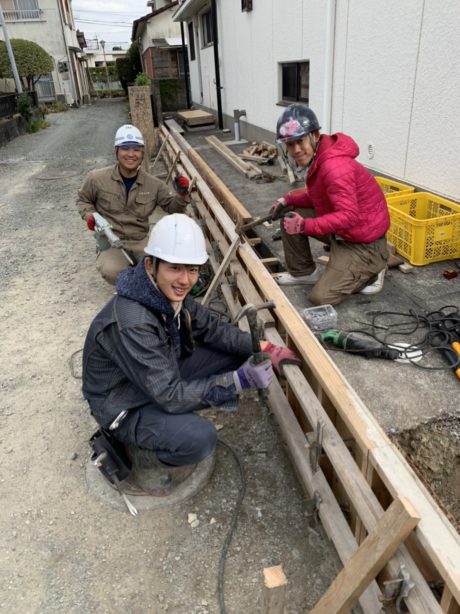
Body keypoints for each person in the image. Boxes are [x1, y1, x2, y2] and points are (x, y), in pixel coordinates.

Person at [82, 213, 300, 491]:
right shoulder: (133, 321)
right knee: (199, 439)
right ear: (151, 264)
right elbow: (169, 396)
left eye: (193, 269)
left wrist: (263, 346)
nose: (185, 280)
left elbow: (212, 329)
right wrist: (236, 382)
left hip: (154, 376)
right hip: (124, 404)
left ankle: (164, 428)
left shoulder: (160, 292)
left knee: (232, 353)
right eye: (175, 268)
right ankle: (140, 455)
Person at [271, 104, 390, 306]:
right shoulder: (319, 160)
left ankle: (373, 270)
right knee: (290, 214)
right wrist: (287, 200)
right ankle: (304, 273)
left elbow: (348, 215)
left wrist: (304, 226)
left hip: (363, 243)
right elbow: (319, 199)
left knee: (321, 297)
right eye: (290, 145)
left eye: (300, 141)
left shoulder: (334, 167)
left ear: (314, 135)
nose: (296, 150)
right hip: (346, 232)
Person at [77, 124, 191, 285]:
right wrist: (90, 216)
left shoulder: (154, 185)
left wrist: (182, 194)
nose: (131, 154)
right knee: (113, 271)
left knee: (159, 272)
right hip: (111, 242)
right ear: (116, 151)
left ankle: (138, 277)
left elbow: (173, 209)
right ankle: (129, 277)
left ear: (142, 153)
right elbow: (83, 200)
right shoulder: (96, 178)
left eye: (136, 149)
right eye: (125, 148)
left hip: (140, 241)